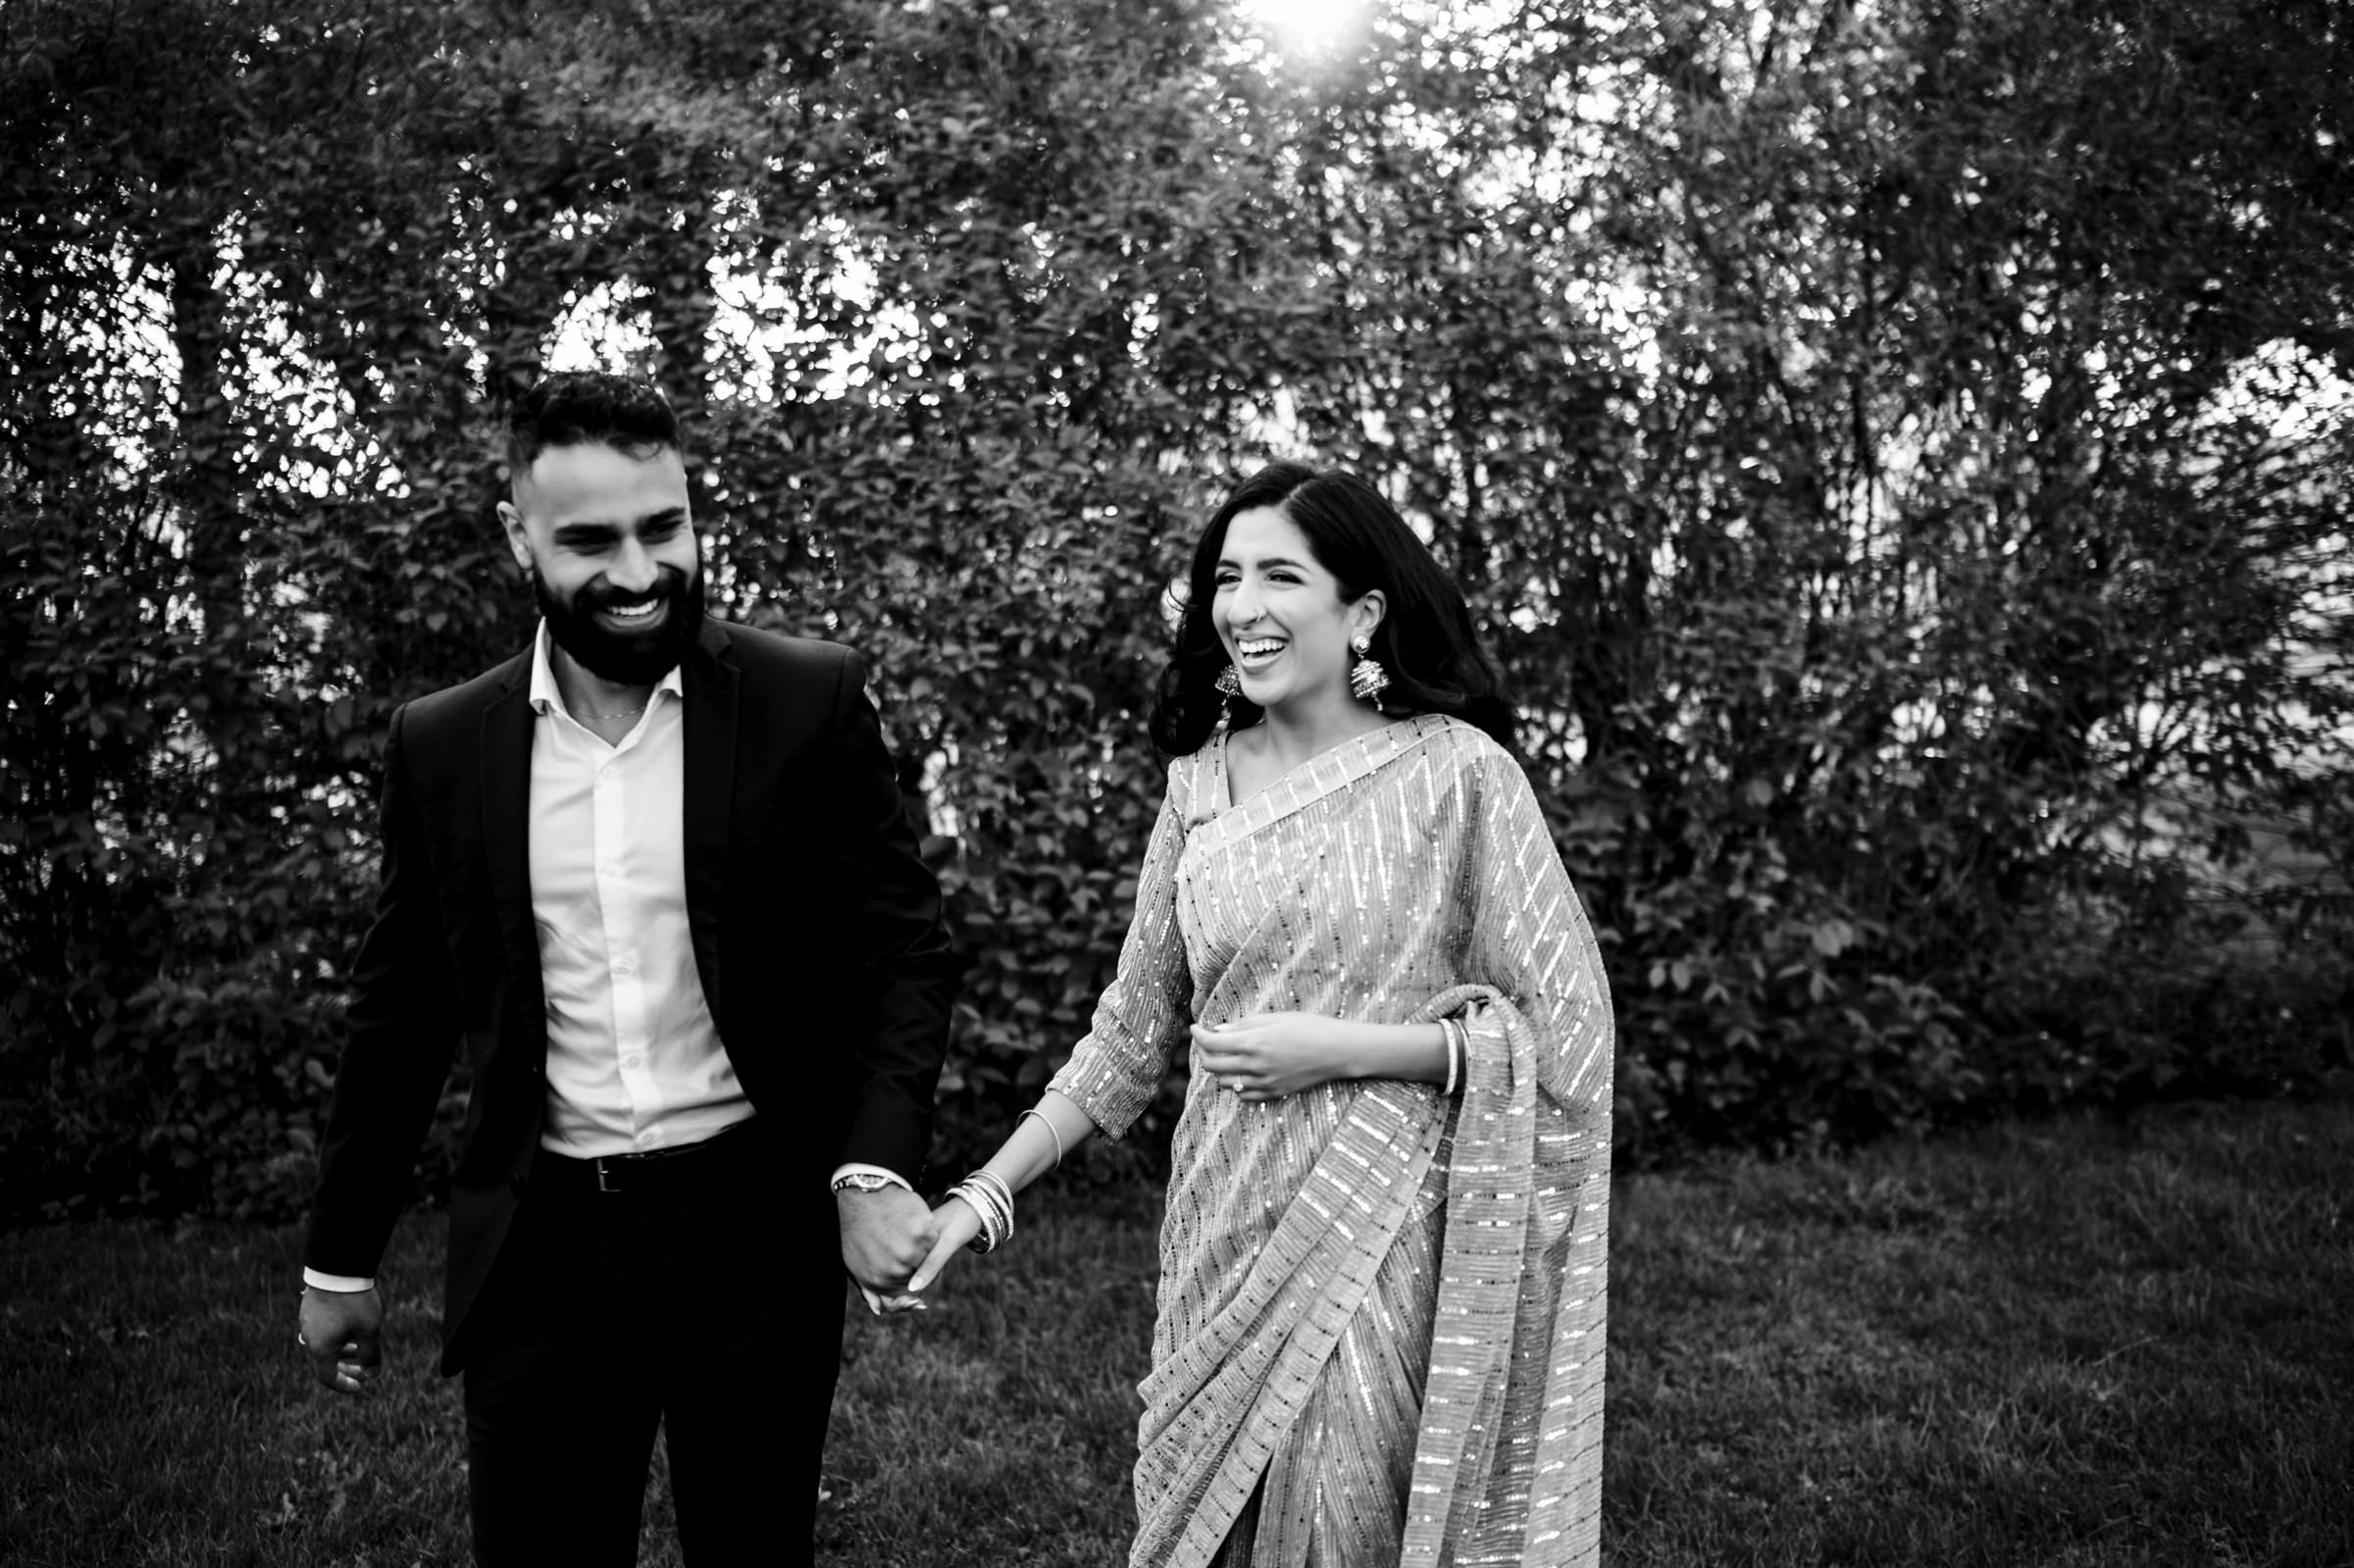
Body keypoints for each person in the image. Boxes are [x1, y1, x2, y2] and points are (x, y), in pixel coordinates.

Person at [295, 371, 957, 1566]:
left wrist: (869, 1166)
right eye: (592, 542)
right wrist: (340, 1257)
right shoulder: (446, 744)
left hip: (751, 1230)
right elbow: (401, 1014)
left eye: (666, 527)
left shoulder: (806, 699)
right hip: (541, 1247)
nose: (643, 574)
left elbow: (906, 946)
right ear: (519, 536)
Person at [906, 462, 1614, 1567]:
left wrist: (1348, 1051)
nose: (1242, 606)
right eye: (1227, 578)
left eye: (1282, 576)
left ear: (1362, 612)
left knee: (1342, 1519)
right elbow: (1131, 1036)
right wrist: (981, 1198)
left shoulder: (1459, 777)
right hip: (1219, 1227)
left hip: (1380, 1234)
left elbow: (1569, 1026)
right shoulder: (1197, 787)